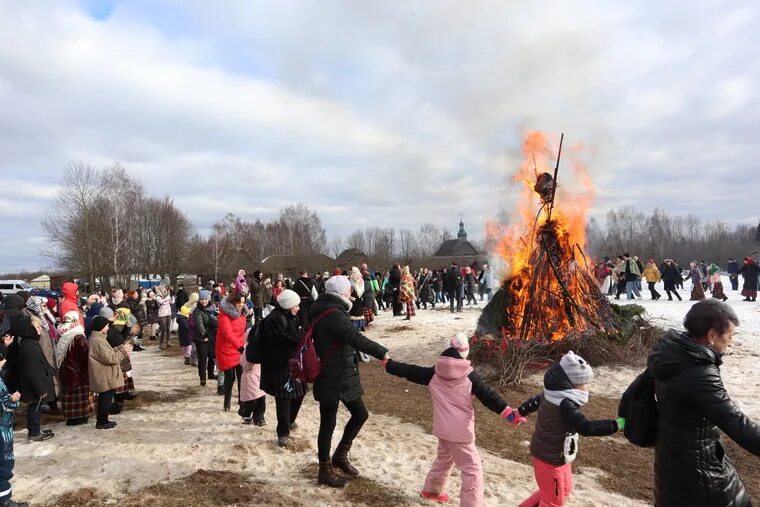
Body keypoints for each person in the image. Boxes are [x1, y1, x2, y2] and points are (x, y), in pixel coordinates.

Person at [384, 333, 523, 505]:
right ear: (465, 353)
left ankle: (431, 491)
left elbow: (410, 371)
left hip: (443, 430)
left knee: (444, 460)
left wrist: (389, 364)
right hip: (461, 433)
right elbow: (489, 396)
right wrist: (509, 413)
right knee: (472, 469)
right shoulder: (470, 377)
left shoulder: (433, 373)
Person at [647, 299, 760, 506]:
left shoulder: (672, 355)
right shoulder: (698, 372)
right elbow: (734, 421)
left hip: (672, 460)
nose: (730, 342)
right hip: (700, 474)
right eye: (729, 336)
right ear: (712, 335)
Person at [310, 276, 389, 488]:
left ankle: (339, 457)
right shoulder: (334, 314)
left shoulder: (325, 308)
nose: (351, 294)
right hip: (335, 375)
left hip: (338, 373)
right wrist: (382, 352)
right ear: (340, 292)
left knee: (350, 416)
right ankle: (326, 469)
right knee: (333, 421)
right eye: (348, 291)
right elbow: (356, 338)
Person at [515, 351, 623, 507]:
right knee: (553, 501)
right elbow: (585, 427)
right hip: (549, 459)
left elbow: (533, 402)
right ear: (570, 384)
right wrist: (615, 425)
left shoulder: (551, 393)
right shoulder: (565, 404)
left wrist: (519, 412)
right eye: (583, 383)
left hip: (558, 456)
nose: (586, 387)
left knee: (564, 489)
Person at [259, 289, 303, 445]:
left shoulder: (290, 316)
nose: (298, 308)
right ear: (288, 305)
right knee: (283, 398)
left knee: (300, 392)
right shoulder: (275, 319)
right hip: (278, 365)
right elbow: (280, 339)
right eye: (296, 305)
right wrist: (299, 341)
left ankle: (290, 420)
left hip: (292, 363)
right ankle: (283, 433)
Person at [13, 316, 56, 442]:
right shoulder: (28, 347)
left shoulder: (31, 343)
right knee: (34, 407)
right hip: (34, 384)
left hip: (36, 382)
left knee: (35, 407)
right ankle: (34, 432)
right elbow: (32, 370)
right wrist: (40, 388)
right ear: (29, 329)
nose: (40, 329)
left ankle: (36, 429)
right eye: (37, 327)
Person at [88, 315, 131, 429]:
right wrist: (124, 352)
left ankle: (103, 420)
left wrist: (120, 349)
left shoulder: (99, 339)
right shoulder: (98, 341)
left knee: (106, 397)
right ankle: (102, 422)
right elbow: (110, 358)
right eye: (107, 326)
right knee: (105, 398)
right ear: (101, 327)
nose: (108, 328)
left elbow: (108, 353)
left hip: (104, 374)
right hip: (103, 375)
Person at [55, 311, 94, 426]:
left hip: (65, 371)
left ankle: (71, 418)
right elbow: (86, 353)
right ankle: (81, 416)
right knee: (80, 397)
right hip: (79, 372)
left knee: (69, 397)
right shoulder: (77, 336)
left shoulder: (61, 332)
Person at [0, 349, 27, 507]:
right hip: (2, 431)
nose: (4, 362)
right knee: (3, 466)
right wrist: (13, 399)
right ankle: (4, 501)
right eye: (1, 359)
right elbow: (3, 404)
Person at [216, 292, 247, 411]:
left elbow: (242, 332)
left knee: (241, 375)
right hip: (226, 349)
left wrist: (243, 344)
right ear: (233, 302)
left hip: (239, 348)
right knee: (230, 376)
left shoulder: (242, 313)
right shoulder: (224, 315)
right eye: (239, 303)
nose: (241, 305)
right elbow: (227, 334)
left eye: (243, 302)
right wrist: (239, 346)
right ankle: (227, 402)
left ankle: (242, 400)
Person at [193, 290, 218, 387]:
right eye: (202, 299)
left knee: (212, 356)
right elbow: (199, 323)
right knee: (203, 357)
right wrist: (204, 334)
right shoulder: (197, 310)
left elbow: (216, 317)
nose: (204, 301)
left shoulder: (212, 307)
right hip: (201, 337)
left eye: (205, 299)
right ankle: (202, 377)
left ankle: (211, 374)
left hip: (212, 335)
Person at [154, 285, 173, 349]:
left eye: (164, 288)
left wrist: (172, 296)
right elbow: (163, 302)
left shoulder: (167, 295)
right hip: (162, 314)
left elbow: (172, 302)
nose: (164, 290)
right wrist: (167, 297)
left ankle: (168, 341)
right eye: (162, 289)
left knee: (168, 328)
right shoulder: (158, 297)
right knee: (163, 329)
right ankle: (161, 343)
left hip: (168, 313)